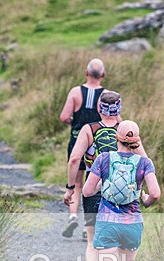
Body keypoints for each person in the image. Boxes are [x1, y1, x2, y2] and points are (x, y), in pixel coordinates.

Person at [63, 91, 147, 261]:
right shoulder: (127, 130)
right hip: (123, 198)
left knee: (92, 243)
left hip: (94, 191)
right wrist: (142, 191)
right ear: (119, 108)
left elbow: (74, 158)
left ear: (100, 108)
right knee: (118, 252)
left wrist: (71, 187)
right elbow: (144, 162)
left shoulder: (89, 129)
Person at [82, 121, 160, 261]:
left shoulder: (103, 159)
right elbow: (155, 193)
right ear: (137, 139)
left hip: (107, 222)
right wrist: (144, 200)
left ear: (116, 137)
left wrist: (102, 188)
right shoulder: (144, 162)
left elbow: (87, 191)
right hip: (132, 223)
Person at [59, 58, 105, 239]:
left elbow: (64, 117)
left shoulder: (75, 92)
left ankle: (72, 217)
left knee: (76, 184)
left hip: (77, 140)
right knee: (91, 184)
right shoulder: (106, 95)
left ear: (86, 73)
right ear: (103, 75)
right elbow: (118, 121)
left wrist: (75, 122)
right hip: (97, 145)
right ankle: (88, 227)